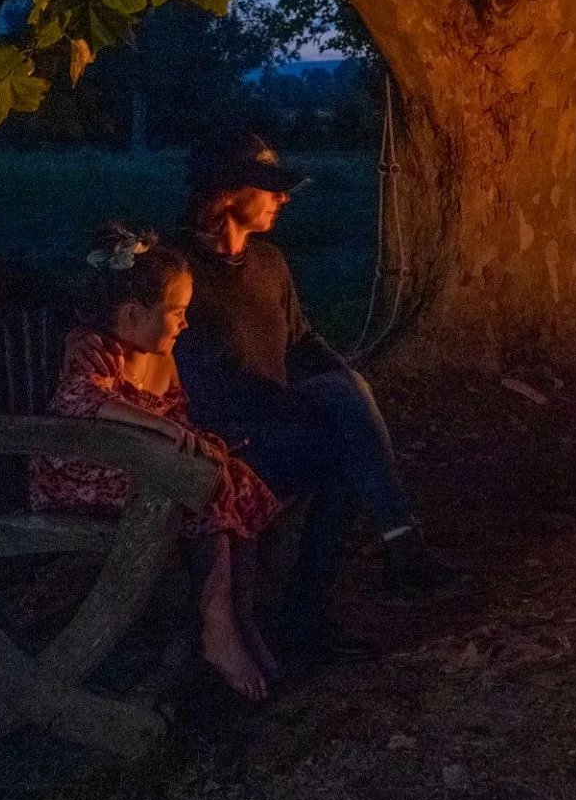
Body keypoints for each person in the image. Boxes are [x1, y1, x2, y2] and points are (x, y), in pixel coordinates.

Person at [171, 131, 469, 664]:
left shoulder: (268, 263)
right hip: (216, 440)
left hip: (275, 422)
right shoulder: (179, 275)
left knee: (343, 420)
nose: (282, 199)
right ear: (227, 195)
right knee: (343, 445)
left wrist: (345, 383)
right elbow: (200, 383)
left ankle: (318, 608)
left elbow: (301, 340)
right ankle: (387, 558)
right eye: (269, 189)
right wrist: (317, 401)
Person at [31, 225, 280, 699]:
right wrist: (167, 430)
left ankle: (240, 616)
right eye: (177, 312)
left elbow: (177, 413)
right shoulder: (97, 351)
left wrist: (193, 442)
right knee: (202, 492)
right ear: (131, 314)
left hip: (141, 469)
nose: (185, 323)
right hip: (85, 473)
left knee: (233, 482)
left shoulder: (158, 351)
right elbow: (79, 402)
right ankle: (217, 624)